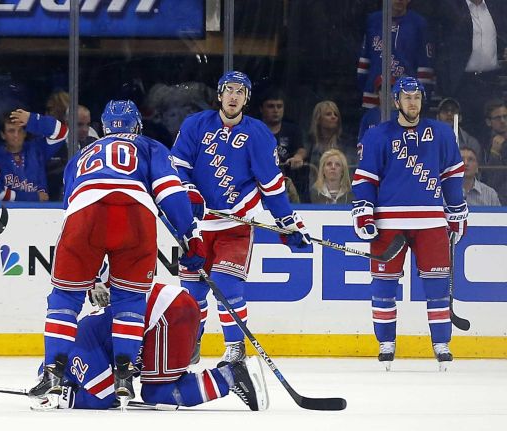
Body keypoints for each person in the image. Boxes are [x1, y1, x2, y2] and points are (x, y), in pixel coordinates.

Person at [28, 100, 206, 405]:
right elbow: (170, 192)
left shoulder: (82, 155)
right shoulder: (149, 146)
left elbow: (70, 206)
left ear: (106, 127)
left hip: (84, 215)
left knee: (65, 297)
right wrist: (190, 235)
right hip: (135, 216)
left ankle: (53, 370)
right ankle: (124, 373)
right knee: (130, 299)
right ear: (136, 125)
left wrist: (93, 272)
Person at [170, 71, 312, 365]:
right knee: (192, 293)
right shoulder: (195, 124)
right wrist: (189, 191)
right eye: (229, 90)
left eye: (240, 92)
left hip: (236, 224)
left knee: (226, 284)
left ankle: (235, 347)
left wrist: (288, 222)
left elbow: (271, 186)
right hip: (194, 227)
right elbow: (177, 166)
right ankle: (190, 342)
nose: (234, 96)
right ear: (220, 94)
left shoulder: (258, 134)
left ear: (246, 99)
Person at [351, 76, 467, 371]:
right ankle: (386, 344)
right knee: (383, 286)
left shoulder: (440, 133)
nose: (412, 102)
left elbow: (452, 175)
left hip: (430, 221)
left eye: (416, 97)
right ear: (396, 100)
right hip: (389, 221)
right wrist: (364, 211)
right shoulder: (378, 135)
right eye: (407, 97)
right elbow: (365, 178)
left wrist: (456, 212)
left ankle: (441, 344)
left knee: (438, 286)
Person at [31, 282, 268, 411]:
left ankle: (232, 375)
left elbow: (102, 397)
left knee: (157, 393)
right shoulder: (78, 340)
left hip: (168, 315)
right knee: (158, 386)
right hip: (173, 309)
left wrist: (66, 399)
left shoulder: (74, 352)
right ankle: (229, 377)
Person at [435, 0, 507, 134]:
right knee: (463, 131)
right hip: (463, 84)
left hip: (491, 82)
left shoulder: (497, 7)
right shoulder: (451, 7)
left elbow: (501, 36)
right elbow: (441, 46)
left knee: (492, 131)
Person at [357, 0, 435, 108]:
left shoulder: (419, 24)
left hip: (407, 95)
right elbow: (365, 58)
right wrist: (364, 87)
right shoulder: (373, 21)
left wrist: (420, 96)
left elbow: (424, 65)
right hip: (373, 95)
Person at [0, 108, 68, 201]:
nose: (16, 135)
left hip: (40, 212)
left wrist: (31, 119)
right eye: (11, 131)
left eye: (20, 130)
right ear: (3, 134)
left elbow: (62, 132)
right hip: (8, 212)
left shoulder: (37, 149)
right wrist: (34, 197)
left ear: (25, 132)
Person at [258, 89, 308, 200]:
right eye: (271, 106)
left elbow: (301, 149)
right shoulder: (254, 130)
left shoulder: (293, 130)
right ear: (261, 109)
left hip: (287, 185)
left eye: (279, 106)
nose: (276, 110)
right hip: (259, 185)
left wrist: (298, 157)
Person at [307, 100, 358, 174]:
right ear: (318, 119)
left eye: (336, 114)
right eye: (328, 114)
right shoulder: (310, 144)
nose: (333, 117)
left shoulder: (346, 143)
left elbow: (349, 171)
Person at [481, 98, 507, 204]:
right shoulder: (484, 144)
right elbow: (490, 182)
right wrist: (495, 154)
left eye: (505, 116)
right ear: (488, 122)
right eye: (497, 118)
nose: (503, 121)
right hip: (495, 201)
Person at [358, 76, 399, 142]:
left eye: (390, 89)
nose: (386, 93)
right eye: (382, 89)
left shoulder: (403, 115)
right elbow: (361, 143)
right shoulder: (369, 116)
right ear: (377, 93)